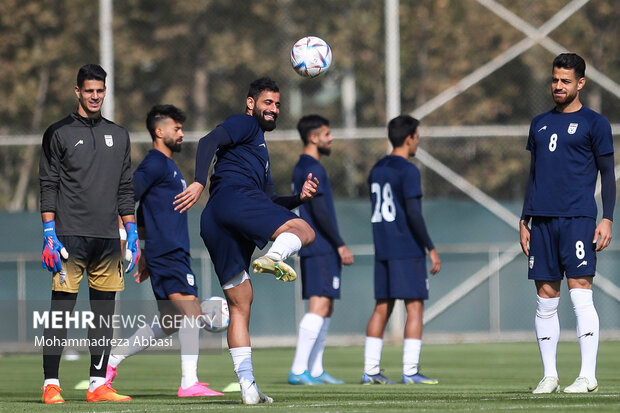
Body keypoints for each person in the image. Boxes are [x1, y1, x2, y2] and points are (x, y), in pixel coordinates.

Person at [173, 77, 319, 404]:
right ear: (251, 103)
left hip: (216, 219)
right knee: (305, 232)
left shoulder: (259, 154)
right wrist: (198, 182)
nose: (274, 109)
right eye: (268, 102)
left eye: (278, 105)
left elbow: (269, 204)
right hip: (234, 201)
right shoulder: (244, 125)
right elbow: (210, 139)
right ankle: (276, 257)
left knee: (241, 303)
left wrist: (299, 197)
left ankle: (248, 387)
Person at [105, 105, 223, 398]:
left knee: (170, 322)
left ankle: (110, 361)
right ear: (160, 132)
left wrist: (144, 250)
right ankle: (188, 382)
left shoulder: (169, 166)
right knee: (192, 312)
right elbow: (126, 199)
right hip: (169, 253)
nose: (181, 133)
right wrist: (126, 240)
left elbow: (145, 214)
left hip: (166, 252)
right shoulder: (155, 164)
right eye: (177, 128)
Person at [38, 64, 138, 403]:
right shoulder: (59, 132)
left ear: (105, 91)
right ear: (77, 91)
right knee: (61, 310)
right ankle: (51, 384)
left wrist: (132, 231)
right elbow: (48, 183)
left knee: (104, 312)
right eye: (89, 90)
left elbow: (125, 187)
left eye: (100, 90)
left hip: (108, 238)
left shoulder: (120, 135)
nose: (95, 96)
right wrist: (49, 231)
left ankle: (98, 384)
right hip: (68, 236)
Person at [519, 53, 615, 394]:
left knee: (580, 293)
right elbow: (533, 174)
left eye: (566, 81)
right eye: (555, 79)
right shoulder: (540, 123)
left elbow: (608, 174)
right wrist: (524, 218)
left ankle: (587, 375)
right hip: (541, 221)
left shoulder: (595, 123)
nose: (558, 86)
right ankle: (549, 376)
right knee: (545, 298)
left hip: (577, 218)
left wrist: (607, 217)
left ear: (581, 83)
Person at [362, 115, 441, 385]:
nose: (417, 141)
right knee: (415, 306)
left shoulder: (376, 169)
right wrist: (430, 247)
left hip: (382, 246)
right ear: (409, 138)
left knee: (381, 307)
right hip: (406, 246)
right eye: (417, 136)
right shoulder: (408, 170)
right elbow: (414, 214)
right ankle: (410, 371)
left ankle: (370, 370)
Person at [288, 115, 354, 385]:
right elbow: (320, 210)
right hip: (320, 246)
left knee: (326, 307)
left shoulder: (304, 166)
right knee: (318, 305)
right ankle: (298, 369)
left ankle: (315, 369)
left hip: (319, 245)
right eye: (327, 134)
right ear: (313, 138)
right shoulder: (312, 167)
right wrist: (339, 243)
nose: (331, 138)